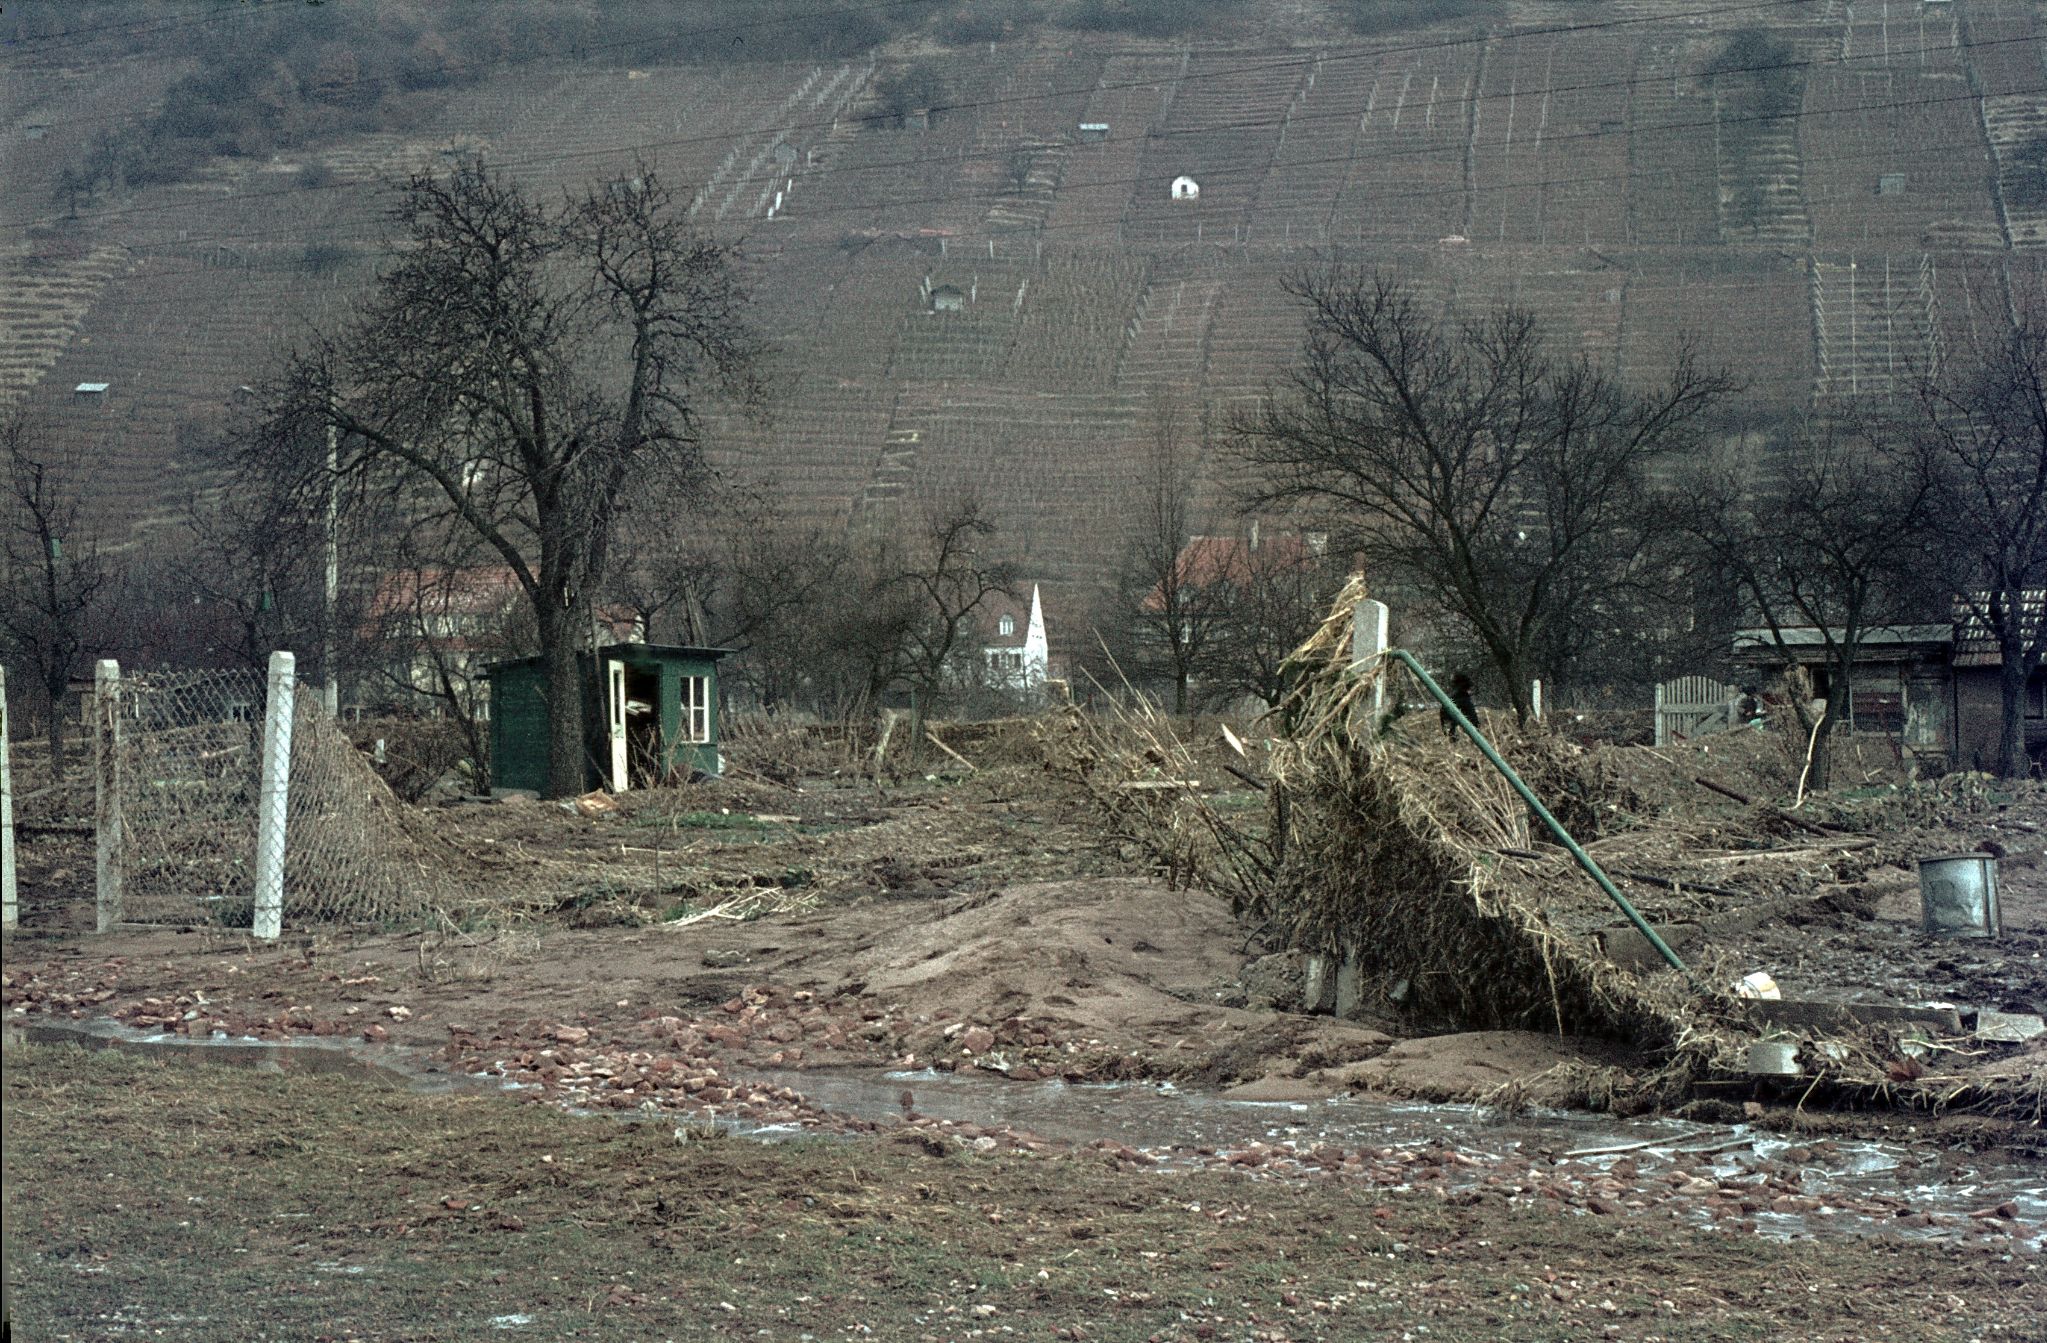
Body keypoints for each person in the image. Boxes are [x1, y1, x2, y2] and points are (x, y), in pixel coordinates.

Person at [1440, 671, 1477, 737]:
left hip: (1451, 735)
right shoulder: (1465, 700)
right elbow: (1474, 722)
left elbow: (1444, 723)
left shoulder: (1449, 700)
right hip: (1464, 737)